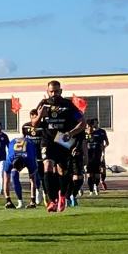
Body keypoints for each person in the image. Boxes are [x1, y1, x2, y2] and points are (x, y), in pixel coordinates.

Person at [33, 80, 86, 213]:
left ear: (61, 91)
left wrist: (70, 133)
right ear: (47, 91)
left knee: (62, 170)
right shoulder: (43, 104)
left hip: (62, 139)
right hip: (47, 140)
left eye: (56, 91)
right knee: (47, 166)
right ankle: (51, 201)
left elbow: (83, 123)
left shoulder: (68, 105)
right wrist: (40, 115)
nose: (54, 94)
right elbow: (34, 124)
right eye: (51, 91)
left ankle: (62, 195)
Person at [23, 109, 45, 208]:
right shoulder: (25, 126)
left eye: (36, 115)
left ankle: (43, 192)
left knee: (42, 175)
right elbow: (24, 140)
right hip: (31, 155)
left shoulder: (43, 126)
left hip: (41, 155)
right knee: (32, 176)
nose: (35, 118)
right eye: (33, 116)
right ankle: (37, 190)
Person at [85, 118, 109, 195]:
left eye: (92, 125)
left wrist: (102, 153)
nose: (90, 127)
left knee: (97, 173)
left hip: (97, 155)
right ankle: (91, 190)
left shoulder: (101, 132)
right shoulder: (85, 134)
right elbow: (83, 144)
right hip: (88, 156)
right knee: (89, 173)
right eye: (88, 126)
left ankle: (97, 185)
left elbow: (104, 143)